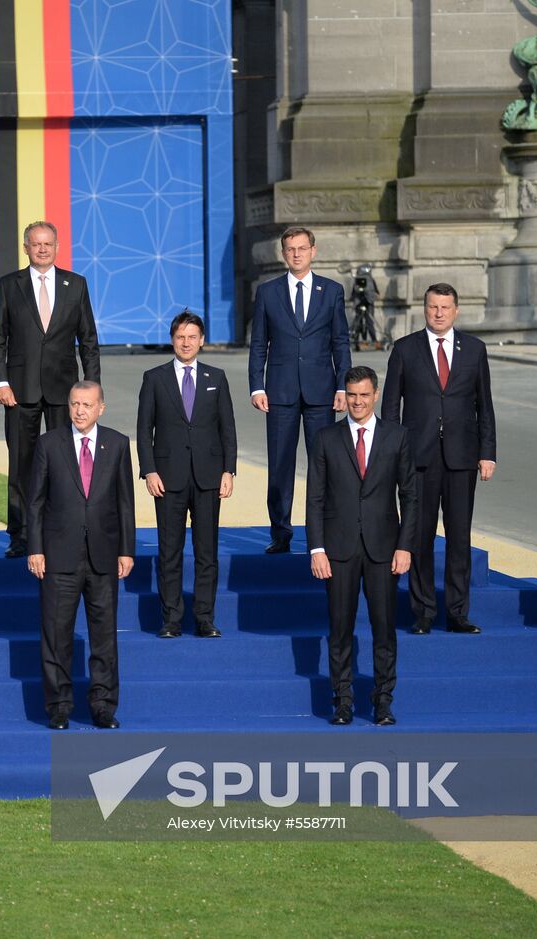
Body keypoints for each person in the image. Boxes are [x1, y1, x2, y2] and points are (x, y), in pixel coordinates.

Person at [381, 283, 497, 635]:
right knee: (419, 536)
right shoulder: (405, 349)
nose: (439, 313)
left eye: (445, 307)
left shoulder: (474, 350)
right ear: (425, 309)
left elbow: (484, 406)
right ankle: (423, 611)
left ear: (456, 310)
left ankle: (458, 612)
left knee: (460, 537)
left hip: (462, 457)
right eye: (433, 307)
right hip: (418, 458)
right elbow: (390, 407)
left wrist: (487, 453)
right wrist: (390, 455)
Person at [307, 366, 418, 727]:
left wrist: (405, 547)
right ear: (345, 396)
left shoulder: (397, 437)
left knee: (384, 627)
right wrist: (316, 549)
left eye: (364, 395)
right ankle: (342, 701)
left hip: (384, 549)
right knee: (339, 628)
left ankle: (383, 701)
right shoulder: (325, 438)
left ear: (375, 395)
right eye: (351, 395)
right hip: (337, 550)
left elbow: (410, 497)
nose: (357, 402)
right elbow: (315, 498)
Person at [0, 220, 101, 558]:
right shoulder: (10, 285)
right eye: (35, 244)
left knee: (65, 463)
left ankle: (64, 530)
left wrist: (91, 387)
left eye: (47, 244)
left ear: (57, 247)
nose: (42, 249)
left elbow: (89, 341)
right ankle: (20, 535)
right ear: (26, 248)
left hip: (65, 392)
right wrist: (1, 381)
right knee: (21, 464)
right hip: (19, 392)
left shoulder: (75, 284)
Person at [26, 381, 135, 730]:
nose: (80, 411)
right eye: (74, 404)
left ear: (101, 407)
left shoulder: (117, 444)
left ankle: (102, 705)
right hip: (59, 556)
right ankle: (59, 705)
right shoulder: (49, 444)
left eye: (87, 405)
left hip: (103, 556)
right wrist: (35, 548)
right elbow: (36, 502)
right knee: (57, 634)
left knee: (104, 635)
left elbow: (125, 504)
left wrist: (126, 550)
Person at [247, 226, 350, 554]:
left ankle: (325, 534)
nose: (296, 254)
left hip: (321, 391)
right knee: (280, 465)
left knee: (325, 464)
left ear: (313, 251)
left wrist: (342, 386)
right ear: (283, 253)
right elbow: (259, 343)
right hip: (280, 392)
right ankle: (281, 533)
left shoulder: (331, 291)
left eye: (302, 248)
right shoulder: (268, 292)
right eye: (290, 249)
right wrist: (256, 387)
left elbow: (340, 341)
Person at [135, 310, 237, 638]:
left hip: (208, 476)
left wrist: (228, 470)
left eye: (192, 337)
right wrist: (149, 470)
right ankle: (171, 619)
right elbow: (143, 428)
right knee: (170, 551)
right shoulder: (154, 378)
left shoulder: (216, 378)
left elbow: (228, 429)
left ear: (202, 340)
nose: (186, 343)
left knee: (207, 551)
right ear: (172, 340)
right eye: (181, 337)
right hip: (168, 478)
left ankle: (204, 618)